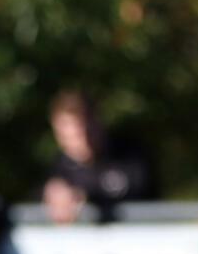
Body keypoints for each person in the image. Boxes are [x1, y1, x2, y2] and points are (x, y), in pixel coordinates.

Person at [42, 91, 156, 225]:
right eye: (71, 136)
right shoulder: (59, 169)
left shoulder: (128, 154)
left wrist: (83, 196)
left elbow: (141, 189)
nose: (82, 140)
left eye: (86, 129)